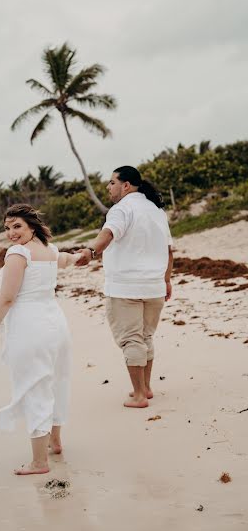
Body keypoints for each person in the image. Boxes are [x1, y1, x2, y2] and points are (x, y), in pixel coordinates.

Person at [0, 203, 80, 475]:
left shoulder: (18, 254)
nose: (11, 233)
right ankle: (55, 442)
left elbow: (7, 298)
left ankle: (39, 462)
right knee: (57, 382)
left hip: (31, 327)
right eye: (7, 228)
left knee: (36, 386)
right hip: (56, 324)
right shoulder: (49, 250)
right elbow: (69, 259)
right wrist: (84, 254)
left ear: (32, 226)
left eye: (17, 226)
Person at [77, 166, 173, 408]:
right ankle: (146, 388)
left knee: (132, 341)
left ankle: (139, 395)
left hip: (126, 287)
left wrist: (90, 251)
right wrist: (167, 280)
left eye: (112, 183)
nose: (108, 187)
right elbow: (169, 250)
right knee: (145, 338)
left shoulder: (122, 208)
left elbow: (108, 234)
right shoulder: (156, 210)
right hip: (154, 287)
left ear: (126, 185)